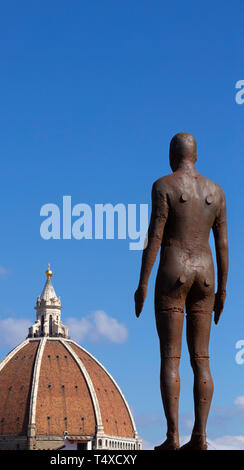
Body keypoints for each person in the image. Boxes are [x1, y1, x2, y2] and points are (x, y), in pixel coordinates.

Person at [134, 133, 228, 450]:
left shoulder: (163, 186)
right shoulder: (216, 192)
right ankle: (200, 437)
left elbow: (155, 237)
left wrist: (143, 283)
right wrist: (223, 289)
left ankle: (172, 436)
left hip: (173, 270)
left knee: (170, 358)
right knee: (202, 359)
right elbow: (223, 244)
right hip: (206, 276)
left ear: (172, 156)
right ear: (196, 156)